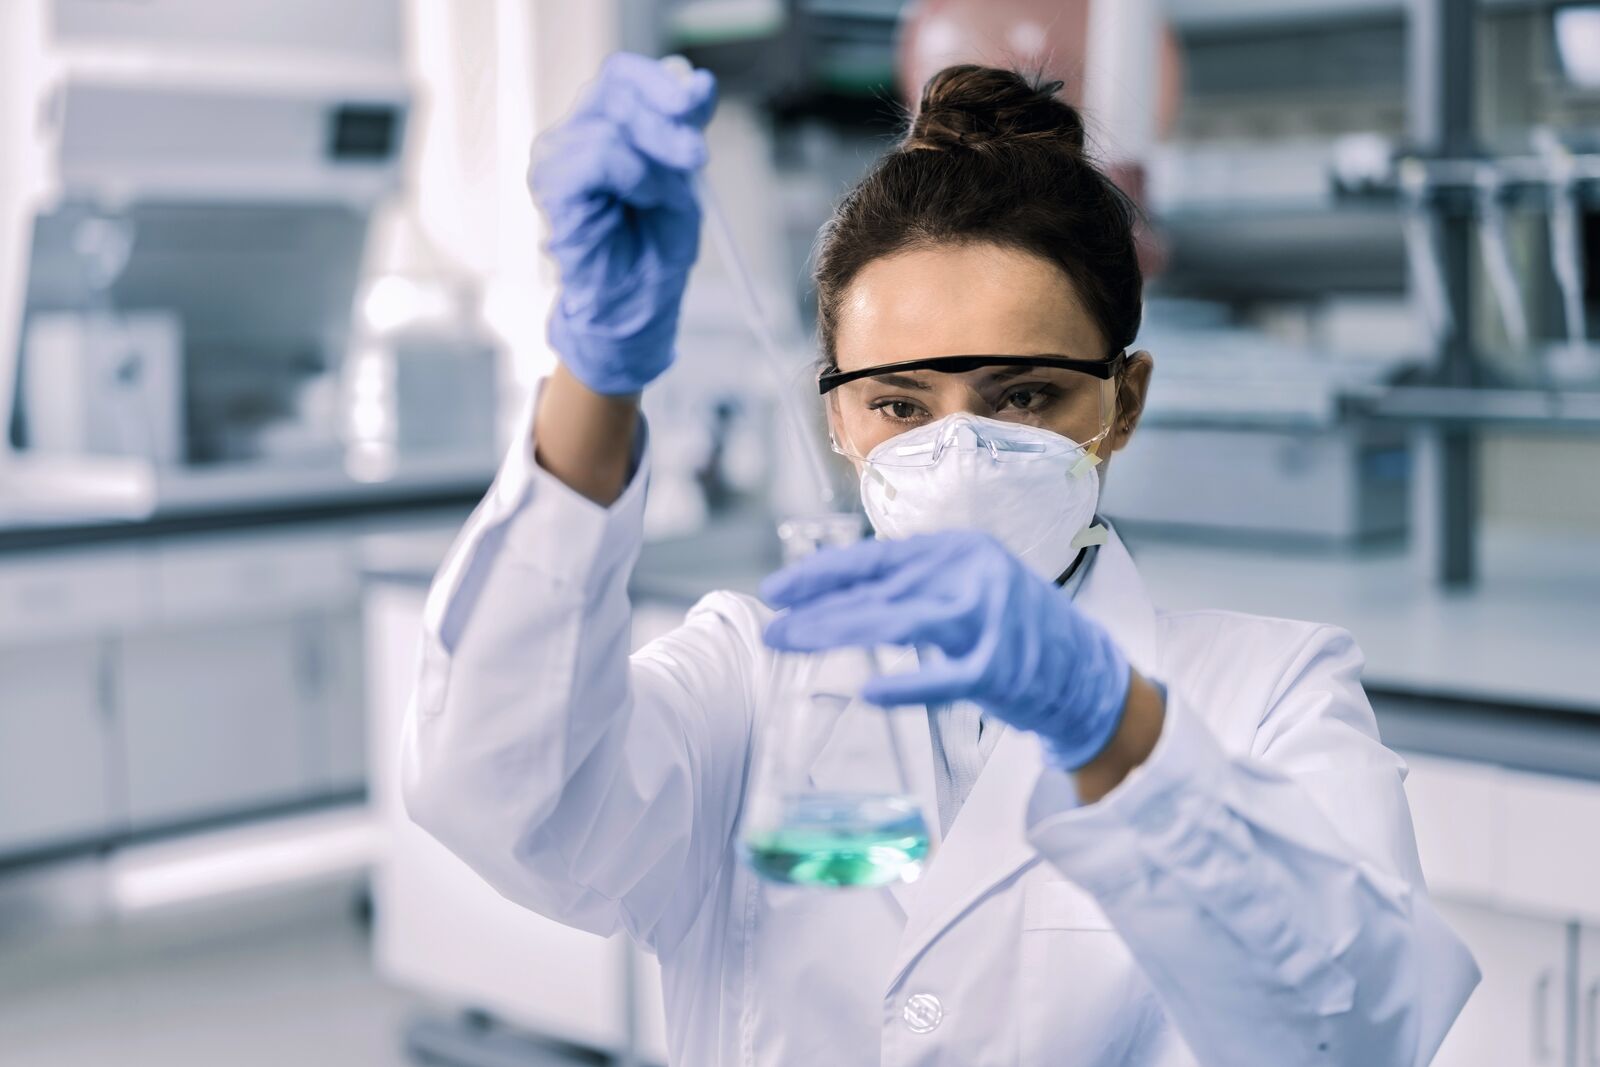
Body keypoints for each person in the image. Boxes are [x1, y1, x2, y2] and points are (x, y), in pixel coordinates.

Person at [402, 53, 1478, 1066]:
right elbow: (503, 795)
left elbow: (1360, 1031)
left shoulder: (1267, 697)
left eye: (1020, 394)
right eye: (898, 404)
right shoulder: (746, 677)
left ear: (1123, 400)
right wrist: (595, 373)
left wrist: (1108, 723)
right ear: (835, 417)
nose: (957, 451)